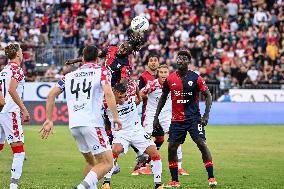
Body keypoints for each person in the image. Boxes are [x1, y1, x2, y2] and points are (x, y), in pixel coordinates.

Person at [40, 45, 122, 189]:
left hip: (74, 126)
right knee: (107, 163)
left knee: (92, 163)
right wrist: (115, 117)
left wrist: (49, 119)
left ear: (82, 59)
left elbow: (51, 95)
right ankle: (81, 187)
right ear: (97, 59)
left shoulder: (69, 76)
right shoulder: (102, 71)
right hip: (92, 124)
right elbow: (109, 94)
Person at [154, 50, 217, 187]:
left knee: (201, 143)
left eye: (184, 58)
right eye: (179, 58)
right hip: (177, 120)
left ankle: (211, 177)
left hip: (193, 119)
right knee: (171, 147)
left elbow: (208, 95)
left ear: (188, 62)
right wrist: (156, 117)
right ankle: (175, 180)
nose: (180, 60)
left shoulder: (195, 78)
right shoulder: (170, 79)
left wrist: (206, 115)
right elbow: (163, 97)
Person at [102, 83, 163, 189]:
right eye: (119, 97)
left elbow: (137, 96)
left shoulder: (130, 92)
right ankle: (106, 183)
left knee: (154, 153)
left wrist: (138, 96)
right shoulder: (105, 102)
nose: (122, 99)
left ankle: (158, 185)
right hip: (121, 132)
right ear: (114, 93)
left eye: (124, 96)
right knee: (115, 150)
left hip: (137, 130)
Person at [140, 64, 189, 176]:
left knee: (175, 138)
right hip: (151, 114)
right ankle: (145, 166)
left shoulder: (173, 84)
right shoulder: (152, 84)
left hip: (166, 115)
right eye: (161, 72)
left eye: (165, 72)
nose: (163, 74)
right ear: (158, 73)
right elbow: (141, 93)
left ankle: (179, 167)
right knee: (146, 138)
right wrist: (142, 99)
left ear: (169, 73)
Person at [0, 43, 30, 189]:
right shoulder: (17, 70)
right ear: (17, 54)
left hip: (1, 111)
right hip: (10, 112)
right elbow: (12, 90)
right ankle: (13, 186)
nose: (22, 54)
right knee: (19, 151)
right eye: (21, 51)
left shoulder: (3, 70)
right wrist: (23, 109)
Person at [131, 53, 160, 175]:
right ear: (147, 63)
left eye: (155, 60)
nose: (153, 62)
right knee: (142, 138)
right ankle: (143, 161)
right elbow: (139, 94)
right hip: (147, 112)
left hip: (161, 114)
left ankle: (145, 160)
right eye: (151, 60)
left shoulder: (161, 76)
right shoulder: (143, 77)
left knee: (160, 138)